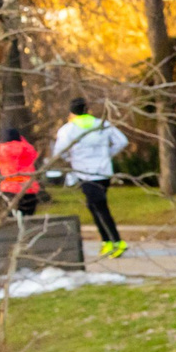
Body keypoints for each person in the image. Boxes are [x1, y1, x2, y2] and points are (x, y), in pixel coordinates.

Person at [49, 98, 127, 256]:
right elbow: (122, 141)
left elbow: (59, 151)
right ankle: (107, 241)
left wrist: (71, 159)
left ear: (71, 112)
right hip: (104, 171)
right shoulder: (102, 125)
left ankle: (117, 241)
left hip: (85, 173)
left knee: (99, 207)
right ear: (88, 109)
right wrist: (107, 155)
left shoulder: (68, 130)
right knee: (94, 207)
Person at [0, 125, 41, 218]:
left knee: (11, 222)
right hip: (29, 189)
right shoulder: (28, 149)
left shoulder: (0, 151)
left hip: (9, 190)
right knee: (27, 221)